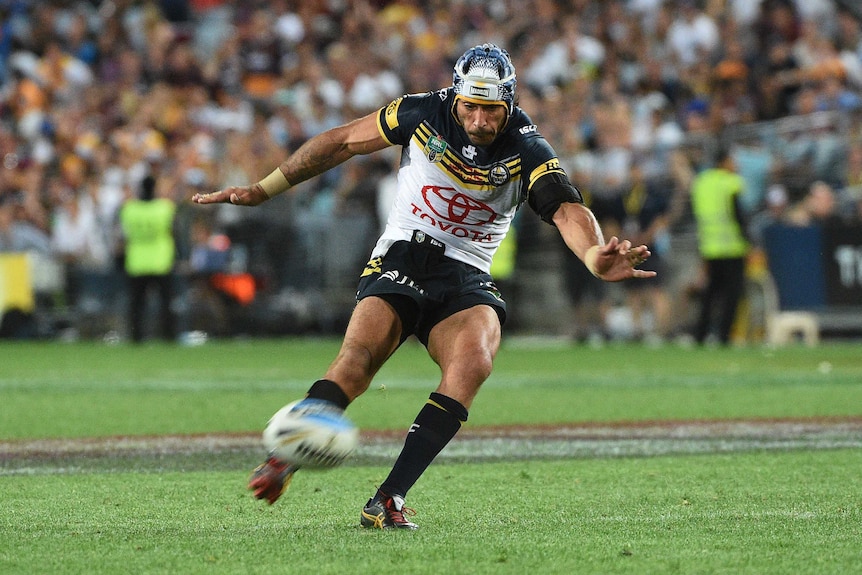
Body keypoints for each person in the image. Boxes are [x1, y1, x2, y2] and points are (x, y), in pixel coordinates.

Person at [193, 43, 655, 529]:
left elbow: (564, 207)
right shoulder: (421, 111)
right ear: (455, 96)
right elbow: (343, 141)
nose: (478, 120)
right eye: (470, 106)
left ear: (510, 104)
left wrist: (591, 255)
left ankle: (388, 498)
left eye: (491, 109)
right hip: (404, 252)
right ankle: (286, 455)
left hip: (467, 269)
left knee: (474, 362)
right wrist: (262, 190)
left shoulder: (526, 147)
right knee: (358, 360)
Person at [690, 147, 751, 345]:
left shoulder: (701, 183)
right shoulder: (730, 182)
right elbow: (737, 214)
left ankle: (700, 334)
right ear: (723, 162)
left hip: (709, 247)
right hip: (732, 246)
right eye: (732, 160)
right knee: (732, 294)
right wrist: (749, 240)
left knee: (710, 294)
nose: (735, 165)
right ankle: (724, 336)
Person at [119, 174, 177, 343]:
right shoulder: (165, 208)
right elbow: (172, 231)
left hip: (137, 260)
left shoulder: (129, 209)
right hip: (161, 260)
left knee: (137, 305)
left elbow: (124, 235)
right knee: (166, 303)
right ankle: (168, 336)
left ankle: (136, 337)